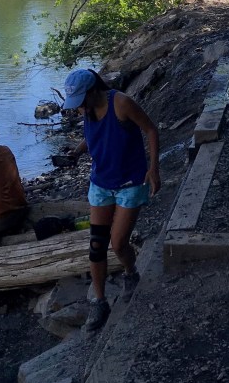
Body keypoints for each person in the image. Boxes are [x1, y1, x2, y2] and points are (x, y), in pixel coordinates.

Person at [62, 68, 161, 332]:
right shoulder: (87, 109)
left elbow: (150, 130)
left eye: (81, 101)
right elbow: (94, 136)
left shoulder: (121, 103)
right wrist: (78, 151)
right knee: (97, 245)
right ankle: (100, 300)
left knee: (118, 244)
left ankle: (131, 271)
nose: (79, 108)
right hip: (101, 184)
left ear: (94, 90)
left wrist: (154, 169)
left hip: (130, 183)